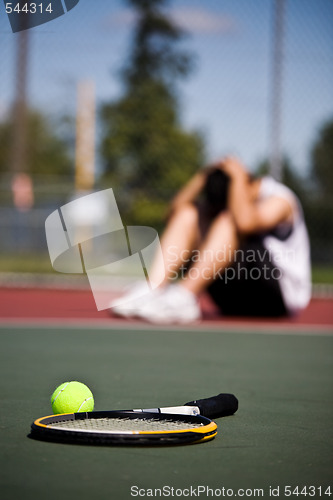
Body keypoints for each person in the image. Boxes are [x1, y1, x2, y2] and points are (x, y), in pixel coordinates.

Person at [110, 157, 311, 324]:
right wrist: (202, 176)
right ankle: (152, 289)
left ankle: (183, 297)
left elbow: (245, 223)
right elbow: (174, 213)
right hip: (234, 297)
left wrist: (238, 176)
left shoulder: (280, 198)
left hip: (276, 297)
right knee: (189, 213)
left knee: (229, 220)